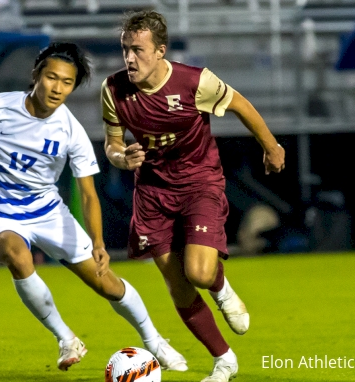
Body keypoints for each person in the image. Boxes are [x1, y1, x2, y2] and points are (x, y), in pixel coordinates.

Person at [0, 42, 187, 372]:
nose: (57, 88)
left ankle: (154, 341)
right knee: (17, 256)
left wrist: (100, 243)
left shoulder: (71, 130)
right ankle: (66, 338)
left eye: (67, 83)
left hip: (49, 214)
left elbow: (89, 194)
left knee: (104, 282)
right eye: (51, 78)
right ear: (35, 76)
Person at [102, 11, 285, 382]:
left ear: (160, 52)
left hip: (198, 182)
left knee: (199, 272)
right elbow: (112, 143)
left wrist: (271, 145)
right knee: (177, 283)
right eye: (125, 49)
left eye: (137, 49)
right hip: (152, 192)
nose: (129, 58)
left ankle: (221, 287)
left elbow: (240, 104)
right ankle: (224, 360)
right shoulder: (113, 90)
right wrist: (123, 157)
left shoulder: (194, 81)